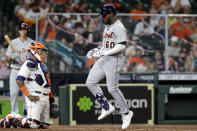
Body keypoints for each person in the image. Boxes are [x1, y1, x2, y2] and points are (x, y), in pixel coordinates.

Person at [86, 5, 133, 130]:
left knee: (112, 88)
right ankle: (106, 106)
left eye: (104, 15)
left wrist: (104, 53)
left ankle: (127, 113)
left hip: (115, 60)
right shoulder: (107, 27)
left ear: (111, 14)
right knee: (90, 82)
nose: (103, 17)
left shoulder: (119, 27)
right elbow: (106, 46)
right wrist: (97, 50)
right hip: (105, 58)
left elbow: (122, 46)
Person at [16, 41, 55, 128]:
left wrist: (52, 101)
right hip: (35, 97)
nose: (44, 53)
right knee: (33, 125)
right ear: (35, 50)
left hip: (45, 97)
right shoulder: (27, 64)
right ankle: (12, 118)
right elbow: (19, 80)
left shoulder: (43, 65)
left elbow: (47, 85)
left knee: (45, 125)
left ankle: (27, 119)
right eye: (42, 51)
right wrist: (29, 96)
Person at [6, 22, 34, 115]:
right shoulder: (13, 42)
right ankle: (14, 113)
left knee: (27, 93)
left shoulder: (31, 42)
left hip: (26, 70)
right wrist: (14, 56)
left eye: (25, 29)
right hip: (15, 70)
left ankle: (27, 113)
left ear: (27, 31)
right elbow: (7, 57)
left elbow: (36, 57)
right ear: (19, 30)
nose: (23, 31)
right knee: (14, 93)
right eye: (21, 29)